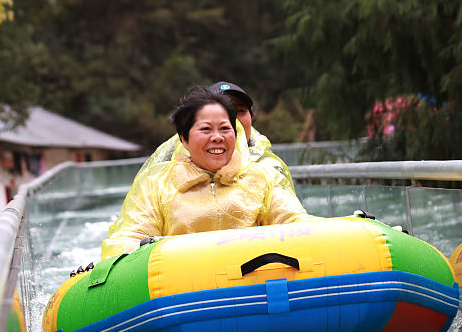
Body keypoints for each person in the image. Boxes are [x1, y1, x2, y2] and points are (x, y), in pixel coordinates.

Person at [100, 86, 312, 258]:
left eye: (225, 128)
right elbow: (130, 237)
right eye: (205, 129)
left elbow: (295, 221)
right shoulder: (158, 184)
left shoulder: (262, 177)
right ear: (184, 138)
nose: (217, 137)